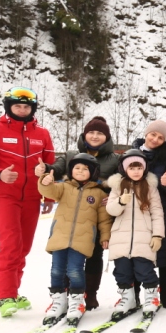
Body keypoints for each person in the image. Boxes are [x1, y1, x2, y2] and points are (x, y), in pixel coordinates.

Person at [0, 86, 56, 316]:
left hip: (31, 197)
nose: (21, 110)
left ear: (32, 109)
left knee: (24, 247)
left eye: (26, 106)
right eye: (17, 106)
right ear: (9, 107)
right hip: (5, 195)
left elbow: (51, 166)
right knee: (10, 245)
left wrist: (48, 194)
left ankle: (13, 292)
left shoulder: (42, 134)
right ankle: (2, 296)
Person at [48, 116, 120, 310]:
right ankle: (62, 293)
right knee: (65, 251)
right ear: (84, 134)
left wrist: (112, 193)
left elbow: (123, 180)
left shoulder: (114, 159)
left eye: (100, 133)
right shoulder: (72, 155)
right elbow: (55, 169)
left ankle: (89, 293)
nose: (95, 136)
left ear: (107, 137)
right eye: (91, 132)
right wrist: (46, 170)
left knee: (94, 255)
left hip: (99, 213)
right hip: (72, 213)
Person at [36, 153, 112, 326]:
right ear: (71, 170)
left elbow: (104, 218)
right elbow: (48, 190)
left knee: (75, 271)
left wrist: (105, 236)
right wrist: (44, 181)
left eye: (85, 169)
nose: (80, 171)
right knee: (56, 270)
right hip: (60, 237)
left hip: (83, 240)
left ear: (92, 172)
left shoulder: (98, 193)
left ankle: (77, 302)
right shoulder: (64, 187)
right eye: (77, 168)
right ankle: (59, 302)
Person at [105, 150, 165, 321]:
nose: (136, 171)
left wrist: (157, 235)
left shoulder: (150, 187)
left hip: (144, 238)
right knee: (122, 271)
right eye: (132, 168)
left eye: (139, 167)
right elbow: (111, 210)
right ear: (125, 169)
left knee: (145, 270)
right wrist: (121, 201)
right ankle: (128, 299)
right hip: (120, 238)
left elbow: (157, 212)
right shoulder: (117, 187)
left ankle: (151, 298)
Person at [131, 120, 166, 307]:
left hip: (164, 209)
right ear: (146, 133)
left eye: (161, 137)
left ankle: (165, 292)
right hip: (137, 210)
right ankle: (134, 292)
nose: (155, 139)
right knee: (137, 251)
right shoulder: (133, 153)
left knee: (165, 252)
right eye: (153, 134)